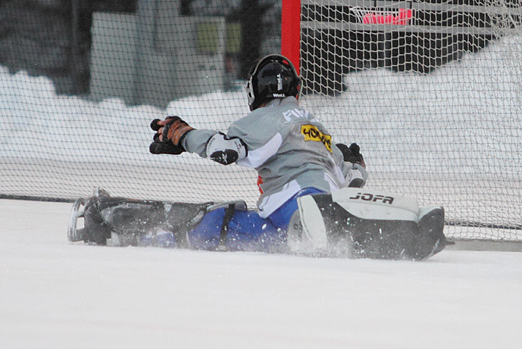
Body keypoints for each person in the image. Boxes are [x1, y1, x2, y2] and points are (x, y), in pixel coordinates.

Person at [68, 54, 447, 261]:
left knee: (214, 222)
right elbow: (352, 179)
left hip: (292, 203)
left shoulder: (260, 120)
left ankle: (110, 220)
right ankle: (378, 231)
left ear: (255, 92)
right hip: (327, 201)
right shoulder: (317, 128)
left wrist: (182, 135)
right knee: (255, 230)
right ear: (295, 89)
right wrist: (355, 165)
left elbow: (225, 150)